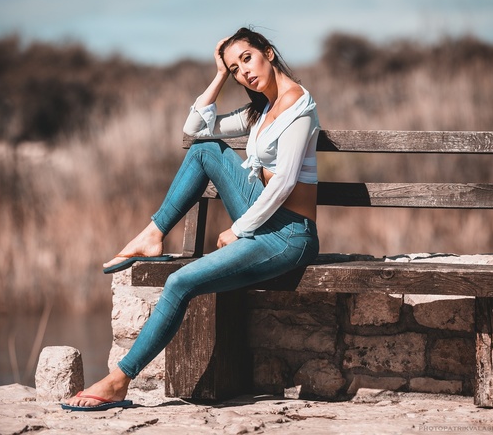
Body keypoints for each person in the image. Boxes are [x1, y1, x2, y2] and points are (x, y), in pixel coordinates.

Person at [63, 27, 321, 411]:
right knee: (206, 152)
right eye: (235, 68)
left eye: (247, 59)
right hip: (265, 221)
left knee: (180, 281)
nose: (243, 72)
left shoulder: (298, 104)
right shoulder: (262, 110)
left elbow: (283, 182)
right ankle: (153, 234)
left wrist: (239, 228)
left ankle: (119, 380)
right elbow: (194, 131)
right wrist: (217, 76)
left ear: (268, 52)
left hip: (289, 236)